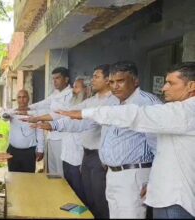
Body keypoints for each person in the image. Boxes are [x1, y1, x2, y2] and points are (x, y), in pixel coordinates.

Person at [56, 62, 195, 219]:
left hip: (175, 198)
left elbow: (135, 115)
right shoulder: (177, 112)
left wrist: (86, 113)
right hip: (162, 193)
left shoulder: (187, 111)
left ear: (191, 86)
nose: (164, 88)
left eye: (171, 83)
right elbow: (163, 155)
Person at [35, 61, 162, 218]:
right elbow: (87, 121)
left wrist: (154, 180)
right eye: (112, 82)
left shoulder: (147, 103)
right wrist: (53, 125)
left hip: (134, 174)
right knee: (109, 212)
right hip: (112, 172)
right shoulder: (113, 102)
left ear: (135, 81)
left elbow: (160, 146)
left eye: (120, 81)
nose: (115, 86)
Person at [25, 64, 112, 218]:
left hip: (100, 156)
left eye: (96, 77)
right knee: (84, 196)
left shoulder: (111, 102)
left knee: (99, 199)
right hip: (86, 154)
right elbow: (70, 114)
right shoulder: (91, 101)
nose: (92, 80)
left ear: (107, 79)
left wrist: (54, 123)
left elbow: (83, 121)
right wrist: (50, 123)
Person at [19, 67, 73, 177]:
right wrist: (27, 108)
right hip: (51, 136)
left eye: (57, 78)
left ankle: (61, 193)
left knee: (60, 171)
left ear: (66, 79)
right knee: (52, 170)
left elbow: (60, 114)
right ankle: (54, 192)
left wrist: (37, 118)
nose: (55, 81)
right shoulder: (56, 93)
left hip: (62, 137)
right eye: (53, 78)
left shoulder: (71, 94)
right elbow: (43, 103)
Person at [2, 90, 44, 173]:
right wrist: (5, 115)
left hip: (29, 152)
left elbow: (40, 131)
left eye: (24, 97)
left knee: (28, 179)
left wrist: (41, 149)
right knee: (13, 178)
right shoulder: (12, 112)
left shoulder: (35, 113)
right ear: (16, 99)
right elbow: (3, 117)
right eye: (19, 97)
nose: (22, 100)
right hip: (13, 151)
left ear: (28, 98)